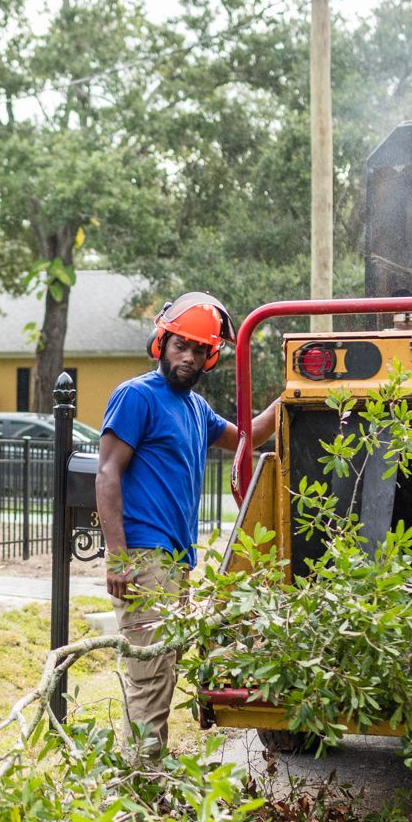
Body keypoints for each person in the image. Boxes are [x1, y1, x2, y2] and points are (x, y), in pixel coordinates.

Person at [95, 292, 280, 758]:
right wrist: (117, 558)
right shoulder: (137, 396)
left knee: (161, 671)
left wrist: (296, 391)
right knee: (152, 675)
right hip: (144, 556)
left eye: (200, 350)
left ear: (210, 357)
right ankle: (141, 781)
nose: (189, 358)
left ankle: (142, 775)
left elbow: (251, 436)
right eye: (182, 345)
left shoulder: (197, 410)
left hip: (177, 561)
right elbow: (107, 473)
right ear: (162, 343)